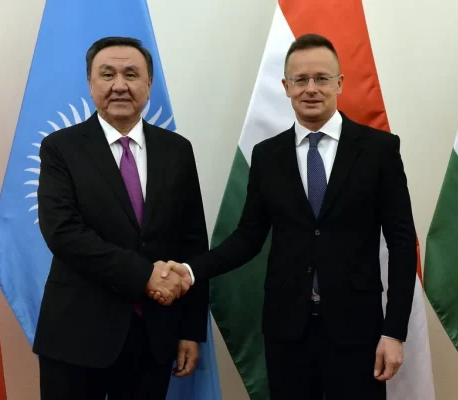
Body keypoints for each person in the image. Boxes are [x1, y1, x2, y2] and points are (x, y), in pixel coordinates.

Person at [157, 33, 417, 399]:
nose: (311, 88)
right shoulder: (267, 155)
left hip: (357, 328)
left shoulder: (380, 151)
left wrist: (394, 331)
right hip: (287, 330)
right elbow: (248, 237)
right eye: (300, 79)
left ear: (339, 83)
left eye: (321, 78)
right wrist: (191, 270)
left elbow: (402, 244)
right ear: (286, 87)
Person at [33, 36, 208, 400]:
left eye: (131, 74)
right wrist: (144, 275)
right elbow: (64, 233)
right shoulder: (60, 148)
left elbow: (192, 241)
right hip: (77, 334)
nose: (119, 85)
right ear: (90, 83)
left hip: (155, 335)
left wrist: (191, 330)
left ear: (149, 84)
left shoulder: (177, 150)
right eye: (107, 74)